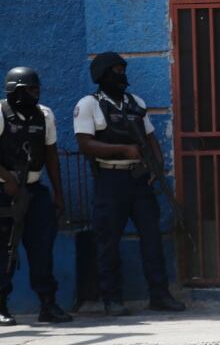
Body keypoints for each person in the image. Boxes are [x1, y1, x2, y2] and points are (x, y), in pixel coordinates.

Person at [74, 52, 185, 316]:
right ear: (102, 74)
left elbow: (150, 138)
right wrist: (123, 150)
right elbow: (85, 143)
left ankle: (159, 295)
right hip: (110, 179)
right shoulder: (89, 104)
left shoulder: (134, 102)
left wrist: (156, 168)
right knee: (108, 241)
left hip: (139, 180)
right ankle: (112, 299)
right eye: (116, 70)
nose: (122, 75)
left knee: (152, 239)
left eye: (123, 70)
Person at [0, 67, 72, 326]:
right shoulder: (0, 113)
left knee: (42, 249)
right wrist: (8, 181)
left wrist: (58, 194)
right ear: (16, 90)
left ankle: (48, 304)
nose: (36, 93)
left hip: (34, 190)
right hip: (4, 192)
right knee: (4, 250)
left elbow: (51, 155)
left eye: (37, 88)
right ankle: (1, 306)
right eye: (31, 89)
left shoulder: (44, 115)